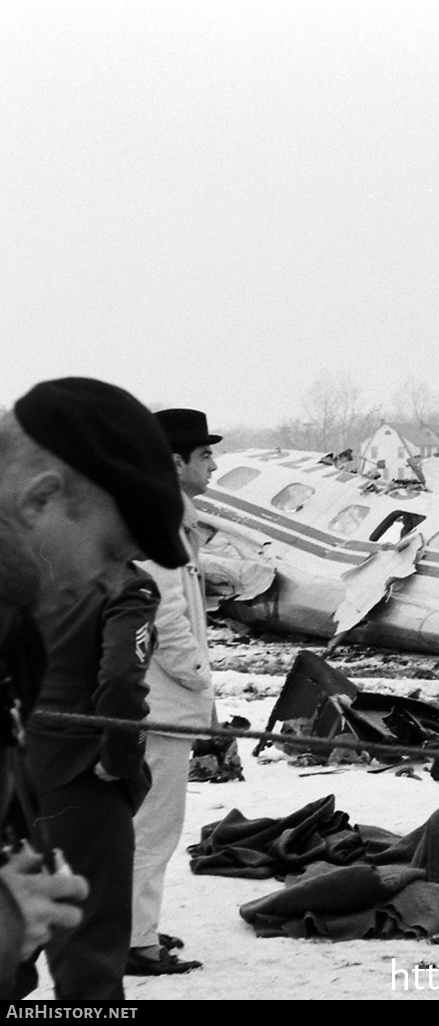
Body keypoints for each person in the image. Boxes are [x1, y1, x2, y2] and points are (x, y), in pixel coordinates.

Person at [0, 377, 188, 997]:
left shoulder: (18, 633)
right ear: (41, 500)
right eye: (111, 553)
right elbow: (118, 683)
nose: (112, 583)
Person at [23, 561, 157, 999]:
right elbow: (120, 681)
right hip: (77, 780)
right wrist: (121, 759)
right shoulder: (123, 583)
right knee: (89, 960)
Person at [127, 408, 220, 976]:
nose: (214, 465)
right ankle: (133, 943)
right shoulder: (160, 522)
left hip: (157, 705)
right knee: (152, 829)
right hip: (159, 707)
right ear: (174, 461)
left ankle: (132, 927)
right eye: (205, 455)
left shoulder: (167, 517)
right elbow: (164, 616)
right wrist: (200, 679)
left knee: (143, 825)